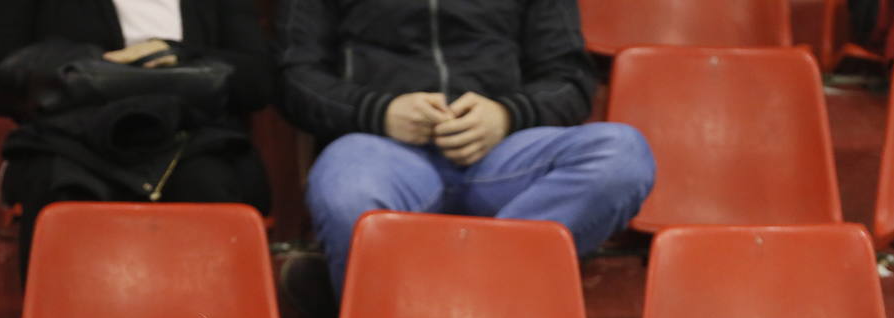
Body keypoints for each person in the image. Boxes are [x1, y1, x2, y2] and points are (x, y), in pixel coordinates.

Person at [276, 0, 656, 296]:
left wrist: (507, 115)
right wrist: (379, 111)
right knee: (346, 189)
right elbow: (294, 78)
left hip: (504, 154)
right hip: (381, 149)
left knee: (622, 157)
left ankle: (449, 301)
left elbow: (570, 79)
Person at [0, 0, 273, 278]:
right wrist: (91, 67)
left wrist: (179, 56)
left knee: (208, 186)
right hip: (71, 137)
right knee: (60, 192)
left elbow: (258, 82)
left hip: (190, 135)